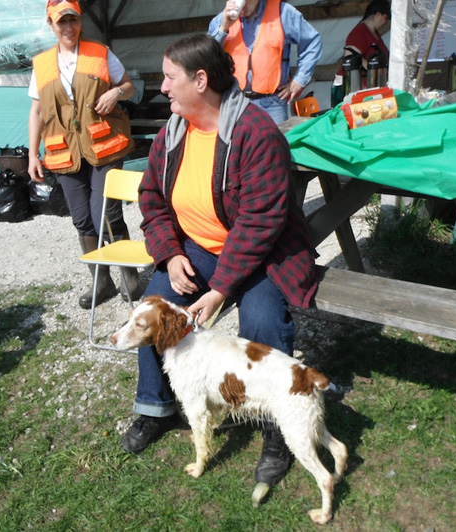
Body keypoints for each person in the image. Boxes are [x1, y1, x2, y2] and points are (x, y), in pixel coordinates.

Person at [120, 34, 318, 495]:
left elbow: (261, 222)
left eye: (170, 78)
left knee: (263, 319)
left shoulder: (256, 133)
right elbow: (150, 198)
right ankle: (155, 407)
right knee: (157, 305)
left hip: (265, 253)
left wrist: (221, 286)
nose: (163, 87)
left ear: (201, 79)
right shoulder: (173, 131)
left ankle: (277, 431)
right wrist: (169, 253)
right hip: (198, 249)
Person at [27, 0, 141, 309]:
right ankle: (100, 281)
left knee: (106, 212)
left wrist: (116, 92)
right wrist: (32, 155)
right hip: (64, 153)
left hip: (104, 147)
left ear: (80, 22)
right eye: (61, 22)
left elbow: (129, 86)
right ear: (51, 25)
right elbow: (36, 110)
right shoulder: (41, 65)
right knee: (81, 219)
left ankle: (129, 276)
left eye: (73, 20)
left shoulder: (100, 53)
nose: (68, 27)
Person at [208, 0, 322, 124]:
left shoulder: (283, 13)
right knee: (237, 143)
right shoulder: (222, 20)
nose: (241, 6)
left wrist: (299, 80)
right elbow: (208, 57)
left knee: (275, 142)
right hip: (235, 103)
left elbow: (312, 42)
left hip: (272, 103)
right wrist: (223, 28)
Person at [331, 0, 391, 105]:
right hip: (352, 87)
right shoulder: (359, 32)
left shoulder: (373, 33)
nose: (385, 22)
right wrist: (373, 71)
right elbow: (351, 57)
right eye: (385, 18)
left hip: (368, 86)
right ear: (377, 15)